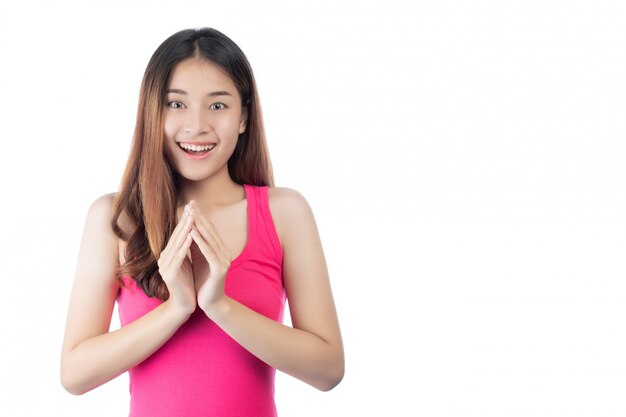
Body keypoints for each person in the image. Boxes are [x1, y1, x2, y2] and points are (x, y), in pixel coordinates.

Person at [60, 27, 344, 416]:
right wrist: (177, 307)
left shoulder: (285, 212)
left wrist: (219, 306)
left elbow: (328, 369)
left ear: (243, 117)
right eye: (176, 105)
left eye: (217, 105)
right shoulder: (115, 219)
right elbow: (75, 373)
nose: (196, 125)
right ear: (152, 113)